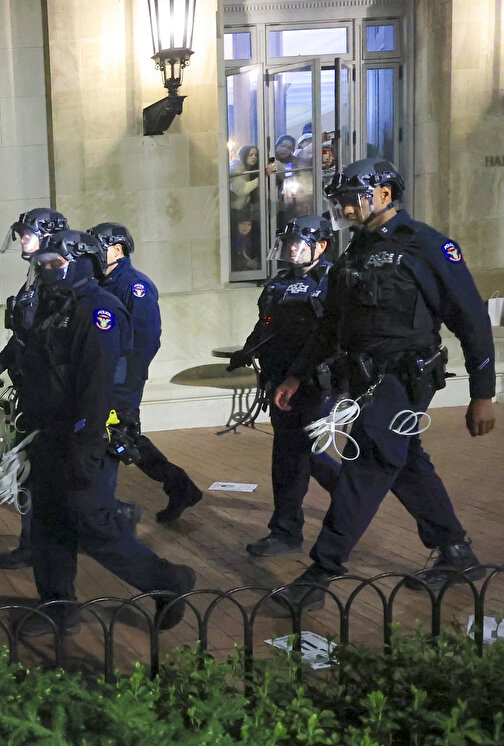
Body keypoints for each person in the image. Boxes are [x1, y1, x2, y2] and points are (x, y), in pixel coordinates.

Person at [273, 160, 496, 610]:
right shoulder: (354, 254)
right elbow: (329, 326)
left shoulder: (427, 247)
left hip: (405, 376)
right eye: (341, 200)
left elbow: (471, 319)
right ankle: (457, 553)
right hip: (366, 377)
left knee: (369, 462)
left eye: (351, 198)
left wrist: (483, 392)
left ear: (384, 196)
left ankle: (322, 571)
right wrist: (298, 372)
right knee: (406, 462)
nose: (345, 208)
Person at [14, 230, 196, 635]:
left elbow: (98, 386)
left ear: (81, 263)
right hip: (49, 431)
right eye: (40, 264)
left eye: (53, 264)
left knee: (91, 522)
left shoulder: (100, 309)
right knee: (49, 521)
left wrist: (87, 442)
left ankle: (168, 580)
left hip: (87, 433)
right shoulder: (54, 304)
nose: (44, 271)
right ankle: (58, 606)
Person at [229, 215, 340, 556]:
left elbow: (333, 337)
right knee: (290, 454)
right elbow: (265, 325)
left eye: (299, 243)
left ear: (320, 246)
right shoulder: (277, 285)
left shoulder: (333, 281)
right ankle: (286, 530)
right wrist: (247, 351)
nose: (292, 249)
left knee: (302, 451)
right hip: (279, 380)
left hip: (315, 381)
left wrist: (301, 374)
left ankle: (353, 495)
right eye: (289, 243)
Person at [89, 222, 203, 523]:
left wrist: (123, 381)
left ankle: (107, 512)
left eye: (98, 248)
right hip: (104, 377)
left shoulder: (135, 285)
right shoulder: (100, 283)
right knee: (123, 437)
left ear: (118, 249)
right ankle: (180, 487)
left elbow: (146, 340)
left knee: (117, 437)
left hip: (121, 379)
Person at [0, 209, 68, 570]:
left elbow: (51, 340)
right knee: (30, 474)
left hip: (50, 396)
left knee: (47, 476)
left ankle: (111, 522)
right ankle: (30, 543)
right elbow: (24, 334)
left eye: (27, 234)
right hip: (31, 391)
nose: (21, 240)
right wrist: (3, 362)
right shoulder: (36, 277)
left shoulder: (60, 281)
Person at [229, 144, 262, 222]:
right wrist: (259, 180)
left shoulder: (249, 168)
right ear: (244, 155)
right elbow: (242, 190)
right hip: (235, 210)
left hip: (245, 207)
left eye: (256, 155)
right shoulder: (235, 167)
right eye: (250, 155)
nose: (254, 157)